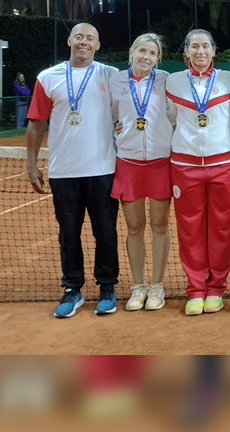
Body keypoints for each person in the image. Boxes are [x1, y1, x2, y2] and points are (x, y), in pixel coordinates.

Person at [26, 23, 120, 317]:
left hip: (103, 169)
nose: (84, 42)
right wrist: (31, 164)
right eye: (79, 36)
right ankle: (72, 288)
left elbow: (129, 112)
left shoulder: (111, 75)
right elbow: (36, 123)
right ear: (69, 40)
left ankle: (107, 286)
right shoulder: (48, 77)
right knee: (68, 234)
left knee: (105, 232)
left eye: (90, 38)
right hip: (63, 172)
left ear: (98, 45)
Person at [165, 29, 230, 316]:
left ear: (214, 50)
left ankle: (216, 289)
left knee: (222, 228)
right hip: (185, 166)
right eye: (194, 47)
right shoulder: (173, 81)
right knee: (190, 230)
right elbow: (168, 118)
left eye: (205, 46)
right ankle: (196, 289)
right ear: (186, 51)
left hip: (224, 164)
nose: (200, 52)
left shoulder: (228, 79)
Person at [110, 33, 173, 311]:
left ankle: (156, 286)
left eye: (152, 53)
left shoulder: (166, 80)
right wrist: (115, 127)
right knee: (134, 227)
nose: (146, 57)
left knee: (160, 225)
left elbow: (175, 114)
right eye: (142, 51)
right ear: (131, 52)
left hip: (160, 163)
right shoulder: (116, 81)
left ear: (158, 58)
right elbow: (110, 115)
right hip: (128, 163)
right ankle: (138, 287)